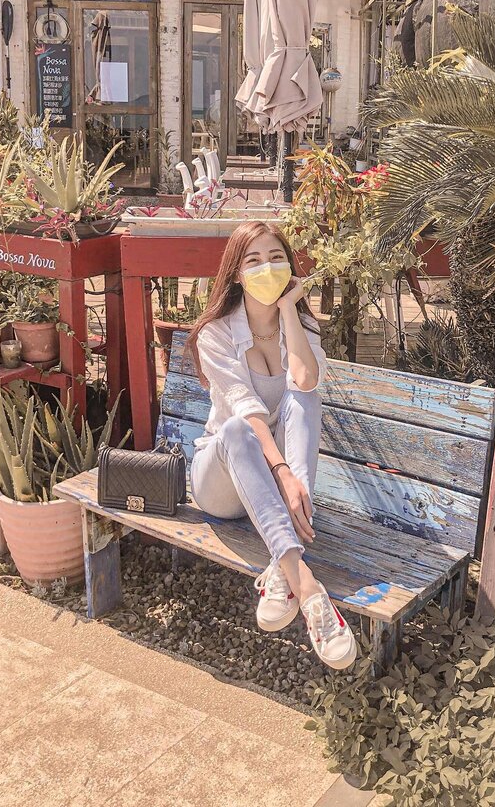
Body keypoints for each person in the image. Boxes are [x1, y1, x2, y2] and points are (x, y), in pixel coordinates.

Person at [187, 221, 357, 670]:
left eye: (276, 257)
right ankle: (307, 587)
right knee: (236, 429)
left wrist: (288, 311)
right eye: (254, 260)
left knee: (305, 396)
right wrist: (283, 473)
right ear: (237, 274)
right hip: (221, 482)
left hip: (274, 491)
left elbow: (305, 380)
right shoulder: (216, 333)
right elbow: (247, 412)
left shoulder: (300, 325)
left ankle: (282, 566)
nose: (267, 267)